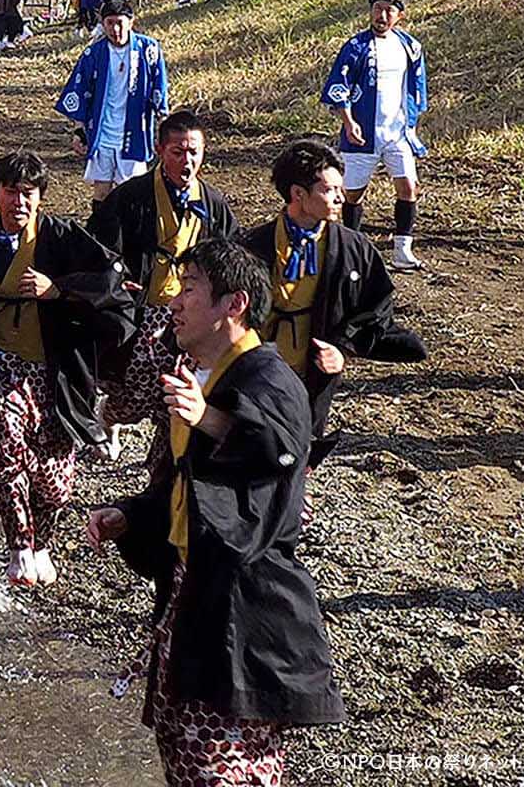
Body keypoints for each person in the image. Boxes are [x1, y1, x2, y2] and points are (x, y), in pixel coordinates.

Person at [86, 241, 345, 787]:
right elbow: (188, 485)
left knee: (220, 763)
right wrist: (132, 515)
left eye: (192, 287)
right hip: (193, 592)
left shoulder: (270, 379)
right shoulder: (206, 377)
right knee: (182, 740)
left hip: (245, 606)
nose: (175, 302)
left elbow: (279, 452)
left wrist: (210, 420)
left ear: (235, 304)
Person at [0, 151, 131, 587]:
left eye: (28, 194)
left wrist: (59, 289)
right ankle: (19, 546)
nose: (19, 203)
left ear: (40, 198)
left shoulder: (64, 238)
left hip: (55, 368)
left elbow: (112, 279)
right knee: (3, 446)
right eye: (10, 192)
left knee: (56, 480)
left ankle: (40, 542)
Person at [239, 142, 425, 495]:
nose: (340, 198)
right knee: (250, 443)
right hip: (256, 370)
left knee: (299, 448)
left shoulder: (354, 248)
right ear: (297, 194)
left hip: (312, 374)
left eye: (340, 189)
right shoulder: (252, 245)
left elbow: (377, 306)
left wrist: (344, 347)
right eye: (329, 190)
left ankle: (287, 507)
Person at [87, 111, 237, 459]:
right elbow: (100, 248)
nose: (187, 161)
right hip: (143, 310)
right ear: (159, 150)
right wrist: (118, 279)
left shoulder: (213, 204)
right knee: (136, 390)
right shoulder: (131, 197)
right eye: (178, 152)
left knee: (179, 391)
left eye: (194, 152)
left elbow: (231, 254)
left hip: (193, 313)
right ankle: (110, 415)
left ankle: (164, 466)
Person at [321, 0, 428, 270]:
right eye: (377, 9)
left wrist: (413, 124)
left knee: (408, 187)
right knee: (353, 193)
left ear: (399, 16)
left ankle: (403, 249)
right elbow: (338, 86)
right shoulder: (355, 47)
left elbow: (417, 88)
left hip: (398, 132)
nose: (382, 15)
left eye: (388, 10)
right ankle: (351, 245)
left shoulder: (411, 47)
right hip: (363, 132)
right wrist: (348, 121)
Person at [57, 0, 171, 202]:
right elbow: (80, 90)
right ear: (103, 23)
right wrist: (79, 130)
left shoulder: (149, 49)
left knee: (133, 193)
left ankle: (131, 234)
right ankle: (100, 232)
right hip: (102, 131)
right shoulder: (93, 53)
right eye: (109, 23)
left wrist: (163, 128)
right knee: (101, 191)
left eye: (119, 22)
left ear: (131, 21)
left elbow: (159, 90)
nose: (115, 28)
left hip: (134, 130)